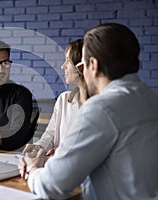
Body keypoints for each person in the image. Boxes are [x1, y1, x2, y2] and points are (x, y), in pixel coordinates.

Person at [19, 23, 158, 200]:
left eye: (82, 64)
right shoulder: (150, 99)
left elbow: (51, 185)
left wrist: (32, 169)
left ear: (92, 64)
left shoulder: (102, 108)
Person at [21, 39, 87, 162]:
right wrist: (39, 147)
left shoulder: (100, 105)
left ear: (82, 66)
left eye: (68, 60)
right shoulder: (64, 99)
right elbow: (50, 134)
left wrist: (64, 152)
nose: (63, 66)